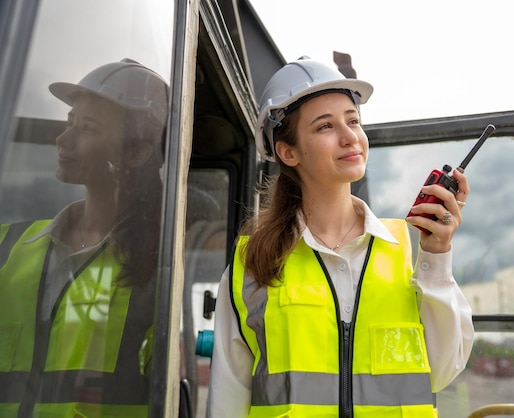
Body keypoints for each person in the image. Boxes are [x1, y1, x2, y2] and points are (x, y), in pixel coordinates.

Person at [208, 56, 474, 417]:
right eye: (325, 127)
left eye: (353, 121)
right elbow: (227, 399)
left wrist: (438, 257)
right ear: (288, 152)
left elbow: (443, 371)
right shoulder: (252, 263)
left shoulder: (412, 250)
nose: (350, 137)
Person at [0, 58, 168, 417]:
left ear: (136, 152)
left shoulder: (158, 262)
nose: (63, 140)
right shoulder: (7, 247)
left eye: (87, 128)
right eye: (69, 123)